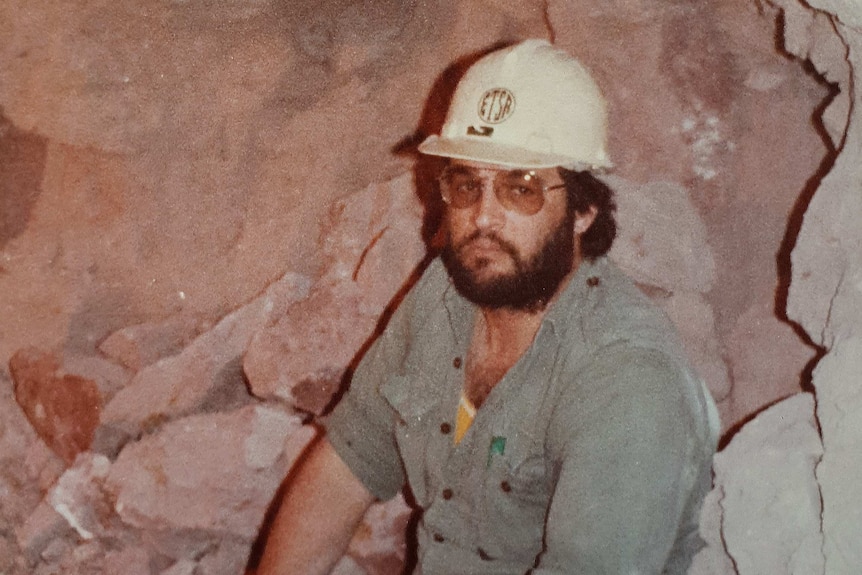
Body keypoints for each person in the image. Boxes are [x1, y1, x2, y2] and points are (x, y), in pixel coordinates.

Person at [256, 38, 719, 575]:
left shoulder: (625, 377)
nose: (482, 218)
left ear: (584, 210)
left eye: (520, 189)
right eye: (466, 184)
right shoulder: (445, 294)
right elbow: (349, 464)